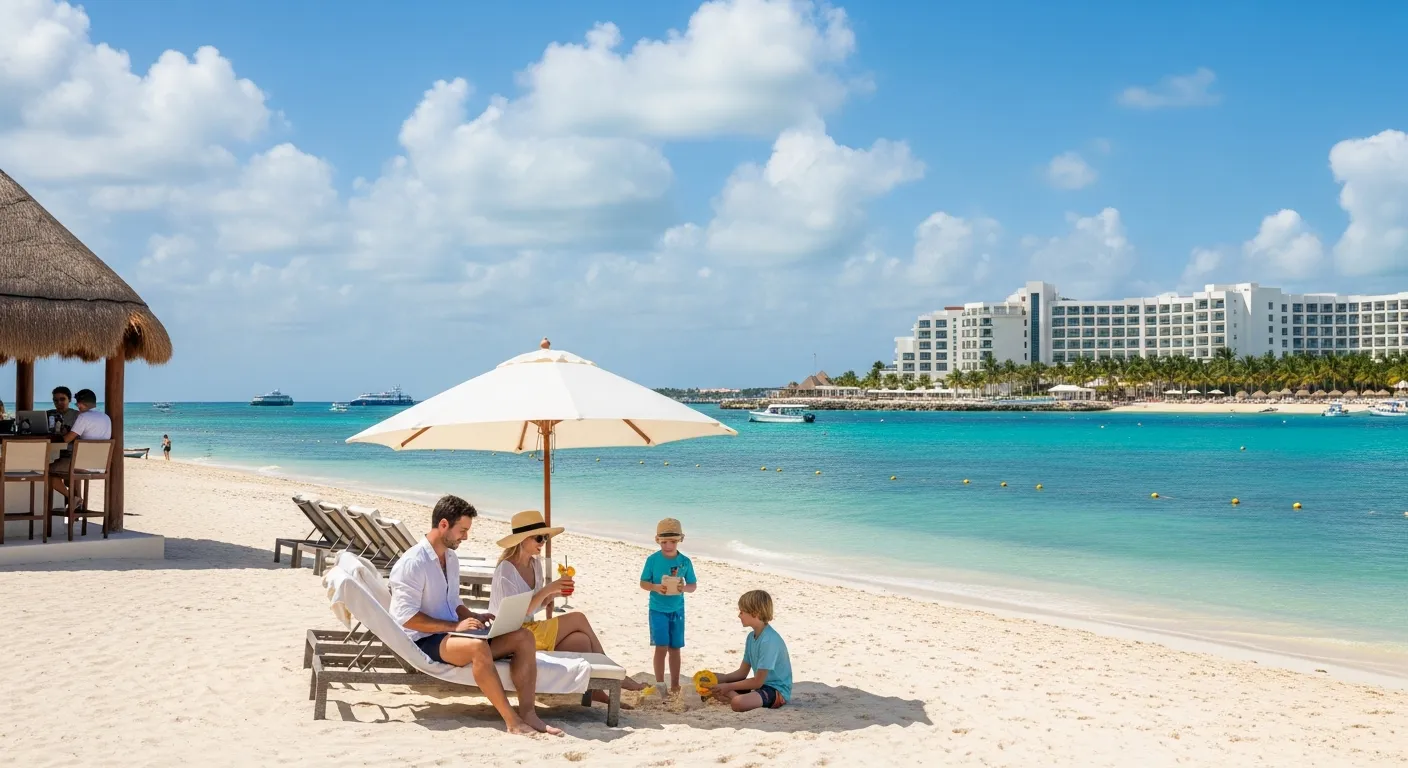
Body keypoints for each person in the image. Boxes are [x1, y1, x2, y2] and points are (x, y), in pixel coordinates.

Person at [388, 495, 561, 736]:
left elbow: (453, 601)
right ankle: (512, 721)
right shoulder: (413, 563)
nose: (466, 537)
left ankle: (529, 713)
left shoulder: (450, 558)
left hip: (452, 632)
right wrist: (455, 626)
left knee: (523, 637)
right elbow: (405, 618)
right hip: (424, 640)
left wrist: (473, 616)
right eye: (463, 530)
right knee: (477, 648)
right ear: (444, 525)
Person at [491, 510, 647, 703]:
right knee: (578, 618)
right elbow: (517, 613)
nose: (542, 543)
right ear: (523, 539)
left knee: (580, 641)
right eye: (539, 538)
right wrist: (548, 589)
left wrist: (554, 594)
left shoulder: (535, 565)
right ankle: (616, 673)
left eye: (545, 538)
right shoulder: (506, 569)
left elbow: (536, 607)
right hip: (511, 634)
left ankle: (596, 689)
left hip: (529, 629)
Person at [708, 590, 793, 712]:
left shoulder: (769, 641)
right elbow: (742, 673)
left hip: (776, 691)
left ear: (755, 613)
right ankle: (732, 695)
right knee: (714, 687)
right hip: (760, 687)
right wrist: (718, 678)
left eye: (742, 611)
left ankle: (733, 697)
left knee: (738, 702)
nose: (739, 615)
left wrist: (727, 687)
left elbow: (757, 682)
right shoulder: (751, 637)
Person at [638, 517, 697, 693]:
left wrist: (683, 588)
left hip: (677, 609)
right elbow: (643, 583)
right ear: (658, 541)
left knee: (675, 648)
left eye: (672, 542)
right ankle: (660, 683)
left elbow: (693, 586)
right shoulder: (653, 560)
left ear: (679, 540)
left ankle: (675, 684)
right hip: (657, 609)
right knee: (661, 647)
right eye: (664, 542)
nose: (668, 546)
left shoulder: (685, 562)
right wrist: (655, 587)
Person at [48, 389, 112, 505]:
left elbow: (67, 439)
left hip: (80, 465)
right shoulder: (106, 417)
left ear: (79, 403)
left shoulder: (83, 417)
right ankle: (76, 501)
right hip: (100, 465)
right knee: (66, 466)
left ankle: (72, 498)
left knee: (45, 471)